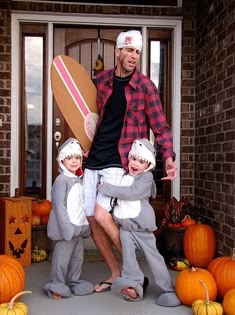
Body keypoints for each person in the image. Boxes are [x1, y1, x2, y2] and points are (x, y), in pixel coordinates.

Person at [83, 29, 177, 293]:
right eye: (129, 50)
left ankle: (133, 277)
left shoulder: (145, 87)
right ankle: (116, 273)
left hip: (120, 160)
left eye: (137, 51)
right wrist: (88, 147)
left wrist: (168, 156)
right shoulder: (101, 81)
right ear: (118, 51)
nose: (134, 56)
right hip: (96, 157)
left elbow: (160, 127)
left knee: (103, 215)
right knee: (92, 218)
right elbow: (93, 119)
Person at [98, 138, 181, 307]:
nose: (136, 163)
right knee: (128, 260)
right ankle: (134, 286)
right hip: (126, 228)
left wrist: (106, 188)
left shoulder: (146, 178)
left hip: (142, 228)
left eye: (141, 161)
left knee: (154, 258)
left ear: (148, 165)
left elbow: (131, 193)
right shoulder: (126, 176)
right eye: (133, 159)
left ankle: (168, 289)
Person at [43, 138, 94, 299]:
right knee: (62, 258)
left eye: (77, 158)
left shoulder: (79, 180)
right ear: (62, 160)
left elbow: (82, 204)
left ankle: (74, 280)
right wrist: (67, 229)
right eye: (70, 158)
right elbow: (59, 206)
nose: (74, 161)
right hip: (67, 229)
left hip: (78, 227)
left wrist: (85, 226)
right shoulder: (61, 181)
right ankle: (56, 283)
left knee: (77, 257)